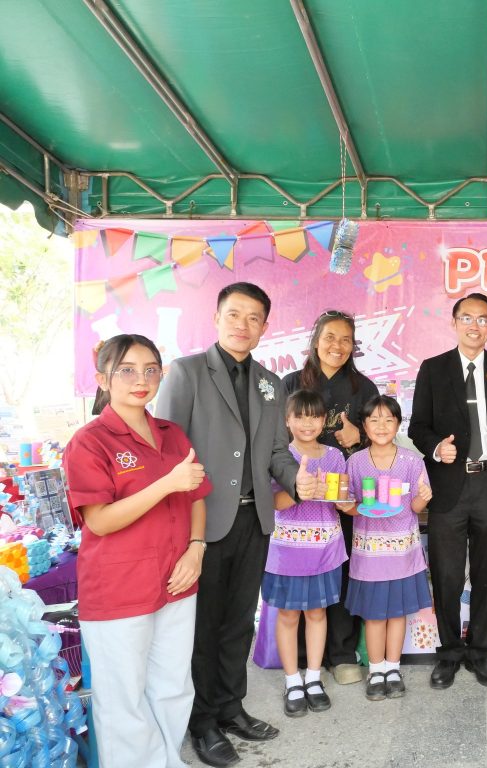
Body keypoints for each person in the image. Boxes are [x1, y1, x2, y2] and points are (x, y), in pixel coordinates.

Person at [156, 282, 318, 768]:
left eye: (253, 318)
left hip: (256, 519)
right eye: (234, 314)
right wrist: (183, 530)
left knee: (239, 621)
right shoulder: (186, 372)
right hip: (202, 520)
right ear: (216, 317)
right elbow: (166, 451)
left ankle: (231, 707)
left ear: (265, 326)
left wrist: (295, 478)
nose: (243, 325)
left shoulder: (271, 382)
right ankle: (202, 720)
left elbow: (276, 452)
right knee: (204, 625)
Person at [65, 334, 211, 768]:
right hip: (119, 589)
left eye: (150, 370)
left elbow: (196, 496)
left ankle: (168, 760)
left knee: (172, 686)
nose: (140, 379)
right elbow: (100, 521)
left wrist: (196, 549)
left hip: (177, 580)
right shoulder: (89, 441)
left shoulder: (172, 433)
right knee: (123, 699)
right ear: (103, 379)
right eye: (126, 370)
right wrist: (165, 484)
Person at [408, 292, 487, 689]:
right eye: (467, 318)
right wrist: (436, 448)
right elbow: (418, 426)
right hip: (448, 485)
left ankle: (479, 651)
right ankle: (448, 653)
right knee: (446, 573)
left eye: (483, 319)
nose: (475, 326)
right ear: (454, 322)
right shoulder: (433, 368)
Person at [282, 310, 376, 687]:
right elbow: (273, 440)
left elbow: (382, 433)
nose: (337, 346)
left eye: (346, 339)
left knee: (341, 570)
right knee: (299, 573)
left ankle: (341, 653)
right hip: (295, 498)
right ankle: (301, 658)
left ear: (354, 346)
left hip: (344, 494)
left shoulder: (363, 388)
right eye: (330, 337)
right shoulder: (291, 383)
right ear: (315, 340)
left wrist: (360, 437)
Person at [262, 390, 348, 718]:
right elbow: (273, 503)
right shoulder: (279, 456)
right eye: (299, 416)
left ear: (324, 421)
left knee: (317, 613)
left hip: (325, 549)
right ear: (287, 421)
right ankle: (292, 681)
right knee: (287, 616)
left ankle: (313, 677)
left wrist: (340, 499)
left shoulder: (335, 457)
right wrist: (301, 491)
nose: (307, 423)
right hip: (286, 551)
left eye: (314, 417)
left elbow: (342, 502)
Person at [342, 396, 433, 701]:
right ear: (364, 426)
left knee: (397, 614)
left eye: (388, 420)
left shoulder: (412, 461)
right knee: (374, 615)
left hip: (403, 553)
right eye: (374, 420)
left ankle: (393, 669)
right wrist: (344, 505)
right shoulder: (355, 462)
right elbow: (350, 505)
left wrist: (423, 498)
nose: (381, 426)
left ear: (398, 424)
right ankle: (376, 670)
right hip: (369, 555)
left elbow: (416, 508)